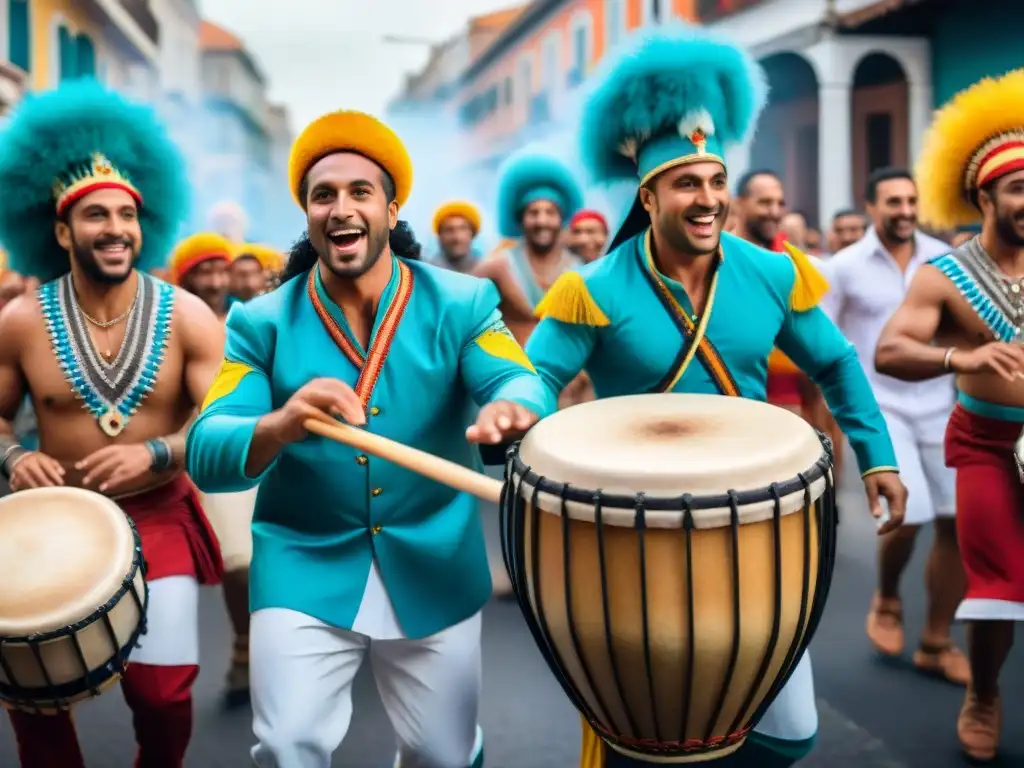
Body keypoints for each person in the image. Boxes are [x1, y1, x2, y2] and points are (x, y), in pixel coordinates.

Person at [523, 27, 907, 768]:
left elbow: (835, 363)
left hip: (756, 522)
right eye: (687, 184)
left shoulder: (770, 273)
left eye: (715, 181)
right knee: (651, 735)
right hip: (631, 528)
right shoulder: (593, 289)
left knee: (790, 735)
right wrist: (518, 416)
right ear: (649, 194)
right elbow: (536, 379)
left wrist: (877, 456)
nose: (708, 199)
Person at [185, 108, 548, 768]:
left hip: (436, 560)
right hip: (303, 561)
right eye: (324, 195)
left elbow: (520, 380)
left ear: (391, 207)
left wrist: (510, 409)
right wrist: (279, 422)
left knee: (443, 754)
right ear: (307, 213)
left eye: (360, 192)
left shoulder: (461, 302)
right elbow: (210, 448)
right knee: (289, 743)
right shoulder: (259, 323)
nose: (341, 208)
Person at [0, 79, 224, 768]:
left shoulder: (187, 315)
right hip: (43, 528)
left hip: (159, 517)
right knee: (33, 705)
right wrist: (12, 458)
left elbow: (223, 428)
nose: (116, 230)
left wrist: (159, 452)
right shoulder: (20, 322)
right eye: (96, 216)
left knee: (162, 700)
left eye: (127, 216)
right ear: (63, 230)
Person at [874, 68, 1024, 763]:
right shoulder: (944, 275)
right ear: (984, 195)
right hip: (986, 445)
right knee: (996, 585)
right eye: (1019, 186)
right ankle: (985, 692)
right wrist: (958, 360)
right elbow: (891, 347)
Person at [821, 167, 967, 683]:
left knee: (956, 522)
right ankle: (886, 597)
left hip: (941, 403)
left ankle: (936, 640)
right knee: (910, 514)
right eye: (893, 201)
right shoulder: (843, 267)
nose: (904, 210)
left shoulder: (945, 260)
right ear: (870, 205)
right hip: (879, 406)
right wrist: (835, 415)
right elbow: (824, 342)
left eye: (911, 201)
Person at [472, 149, 583, 345]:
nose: (542, 221)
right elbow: (464, 316)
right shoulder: (499, 266)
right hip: (515, 371)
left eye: (550, 212)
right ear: (521, 219)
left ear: (561, 218)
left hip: (567, 373)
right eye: (533, 212)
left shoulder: (581, 269)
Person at [170, 231, 234, 319]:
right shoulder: (173, 320)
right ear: (188, 277)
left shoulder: (243, 317)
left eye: (222, 271)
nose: (216, 283)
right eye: (206, 272)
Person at [430, 200, 481, 273]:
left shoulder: (488, 269)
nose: (457, 238)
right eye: (449, 230)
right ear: (440, 236)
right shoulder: (429, 272)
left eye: (463, 229)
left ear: (473, 233)